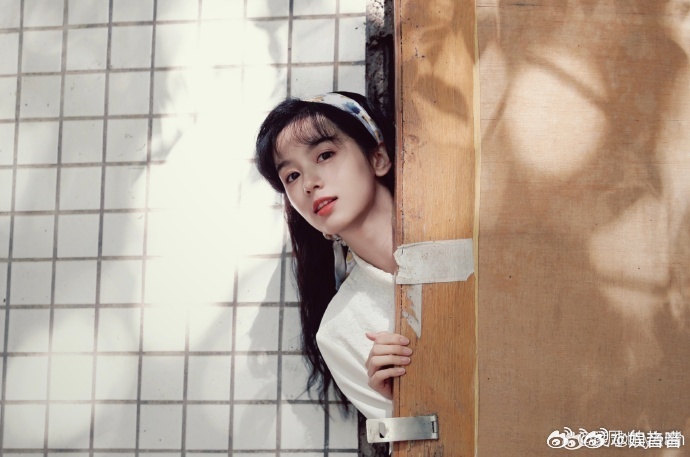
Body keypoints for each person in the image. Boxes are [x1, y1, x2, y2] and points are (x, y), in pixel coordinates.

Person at [255, 92, 412, 419]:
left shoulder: (469, 238)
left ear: (378, 158)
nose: (309, 183)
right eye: (292, 176)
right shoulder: (340, 332)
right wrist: (405, 401)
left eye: (325, 155)